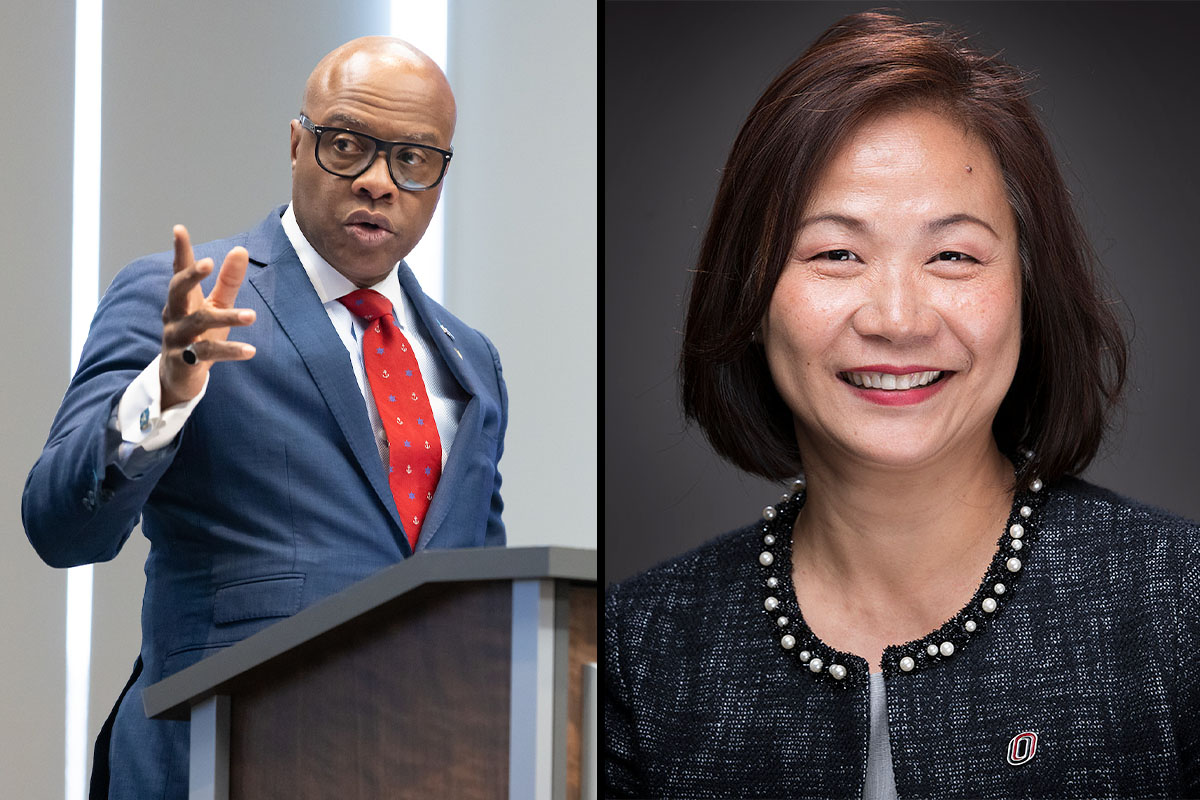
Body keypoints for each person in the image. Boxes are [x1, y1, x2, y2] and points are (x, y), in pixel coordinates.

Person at [603, 12, 1199, 799]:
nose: (896, 318)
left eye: (952, 255)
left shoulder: (1179, 608)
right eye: (836, 254)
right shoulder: (641, 648)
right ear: (751, 294)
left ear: (1028, 289)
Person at [22, 36, 507, 799]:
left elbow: (483, 595)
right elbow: (59, 524)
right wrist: (169, 390)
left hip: (420, 768)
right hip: (220, 760)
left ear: (440, 175)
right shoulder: (185, 301)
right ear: (296, 144)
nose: (379, 181)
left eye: (413, 159)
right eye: (348, 145)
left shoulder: (470, 359)